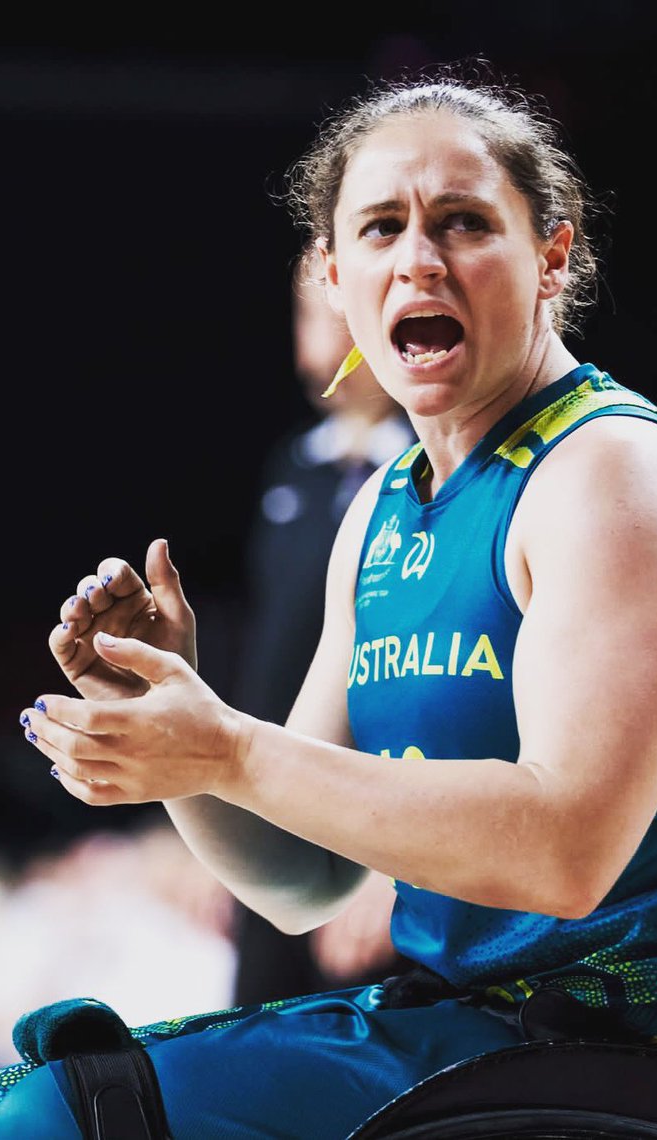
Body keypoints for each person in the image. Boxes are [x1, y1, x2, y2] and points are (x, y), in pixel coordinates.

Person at [0, 64, 657, 1140]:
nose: (419, 260)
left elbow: (565, 853)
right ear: (333, 273)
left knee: (47, 1124)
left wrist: (231, 752)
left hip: (649, 1061)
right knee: (24, 1096)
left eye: (463, 223)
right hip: (468, 1036)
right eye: (383, 229)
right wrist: (177, 732)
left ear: (552, 256)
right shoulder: (383, 512)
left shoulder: (612, 477)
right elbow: (303, 879)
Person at [231, 251, 414, 1006]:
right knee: (256, 1028)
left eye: (339, 312)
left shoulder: (423, 471)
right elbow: (269, 648)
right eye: (310, 311)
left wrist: (390, 869)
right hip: (273, 794)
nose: (322, 331)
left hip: (370, 813)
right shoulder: (291, 470)